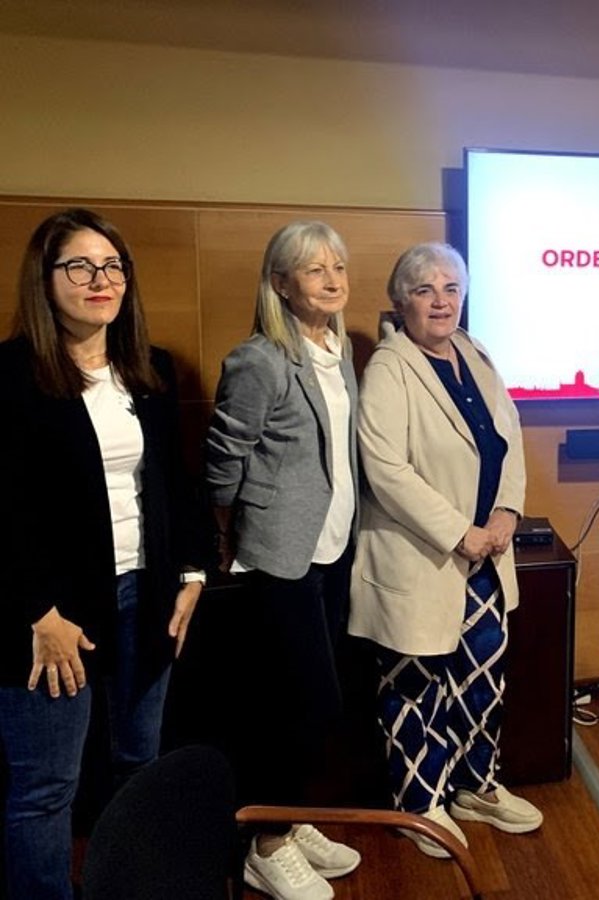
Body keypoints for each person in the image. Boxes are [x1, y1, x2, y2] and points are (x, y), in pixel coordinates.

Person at [0, 208, 208, 900]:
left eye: (113, 266)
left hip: (144, 596)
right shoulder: (11, 374)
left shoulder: (149, 369)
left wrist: (192, 574)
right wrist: (38, 613)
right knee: (45, 788)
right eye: (81, 266)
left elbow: (177, 481)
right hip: (52, 616)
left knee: (139, 763)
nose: (101, 279)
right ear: (45, 277)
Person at [349, 241, 542, 858]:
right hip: (424, 557)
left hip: (488, 555)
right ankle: (420, 807)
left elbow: (509, 436)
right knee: (417, 687)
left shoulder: (474, 351)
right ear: (400, 300)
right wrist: (461, 531)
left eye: (451, 288)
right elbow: (386, 469)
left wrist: (507, 510)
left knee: (482, 679)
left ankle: (475, 787)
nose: (440, 301)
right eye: (425, 289)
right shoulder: (389, 369)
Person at [206, 221, 360, 900]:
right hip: (277, 556)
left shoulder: (337, 348)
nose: (332, 280)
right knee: (295, 703)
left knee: (313, 701)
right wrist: (230, 528)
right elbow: (224, 457)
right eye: (314, 269)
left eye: (338, 267)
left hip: (332, 549)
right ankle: (265, 845)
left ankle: (290, 820)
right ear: (280, 283)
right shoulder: (259, 359)